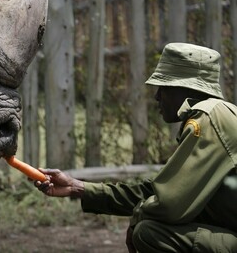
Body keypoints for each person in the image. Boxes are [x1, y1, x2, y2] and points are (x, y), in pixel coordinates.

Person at [35, 43, 237, 252]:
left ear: (186, 88)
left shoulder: (207, 117)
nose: (157, 96)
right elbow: (159, 190)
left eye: (164, 87)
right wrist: (78, 187)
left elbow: (168, 204)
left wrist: (136, 219)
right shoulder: (217, 115)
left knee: (149, 232)